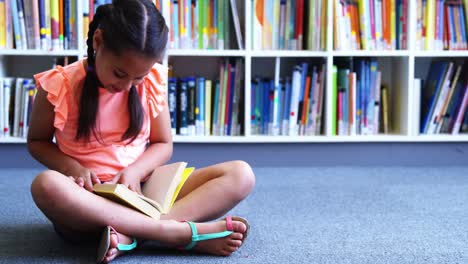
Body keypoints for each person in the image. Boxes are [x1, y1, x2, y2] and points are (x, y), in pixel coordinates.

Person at [27, 0, 255, 263]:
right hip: (89, 200)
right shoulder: (59, 84)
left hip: (142, 191)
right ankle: (174, 232)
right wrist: (73, 168)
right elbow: (37, 142)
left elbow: (163, 143)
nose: (127, 86)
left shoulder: (153, 80)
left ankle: (133, 235)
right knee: (45, 185)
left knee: (241, 174)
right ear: (98, 42)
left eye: (138, 77)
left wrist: (135, 171)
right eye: (119, 73)